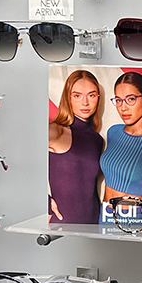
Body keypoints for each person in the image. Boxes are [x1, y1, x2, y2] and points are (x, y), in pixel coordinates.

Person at [48, 70, 104, 224]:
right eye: (77, 96)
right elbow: (19, 155)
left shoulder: (97, 140)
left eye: (91, 95)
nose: (85, 103)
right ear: (68, 98)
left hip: (93, 222)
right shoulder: (56, 130)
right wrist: (44, 202)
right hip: (62, 223)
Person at [100, 71, 142, 215]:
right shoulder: (113, 132)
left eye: (131, 99)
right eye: (118, 100)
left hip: (134, 220)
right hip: (106, 214)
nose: (123, 107)